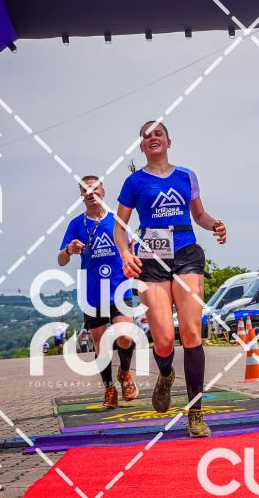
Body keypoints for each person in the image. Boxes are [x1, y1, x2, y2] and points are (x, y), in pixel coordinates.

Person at [114, 121, 226, 438]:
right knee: (163, 340)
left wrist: (215, 224)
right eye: (146, 136)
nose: (153, 138)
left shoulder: (187, 176)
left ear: (168, 141)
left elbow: (198, 214)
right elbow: (120, 227)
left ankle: (195, 414)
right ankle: (165, 374)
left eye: (158, 133)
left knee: (190, 332)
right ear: (141, 146)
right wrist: (125, 254)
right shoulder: (134, 182)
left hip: (187, 253)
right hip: (151, 259)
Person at [59, 175, 139, 409]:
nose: (91, 193)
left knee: (125, 336)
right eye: (86, 190)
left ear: (103, 192)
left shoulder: (118, 220)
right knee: (101, 345)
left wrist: (135, 259)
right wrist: (69, 249)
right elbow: (61, 260)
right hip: (93, 293)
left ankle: (125, 373)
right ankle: (109, 389)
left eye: (95, 188)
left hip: (119, 288)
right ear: (81, 196)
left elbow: (134, 246)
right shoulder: (76, 224)